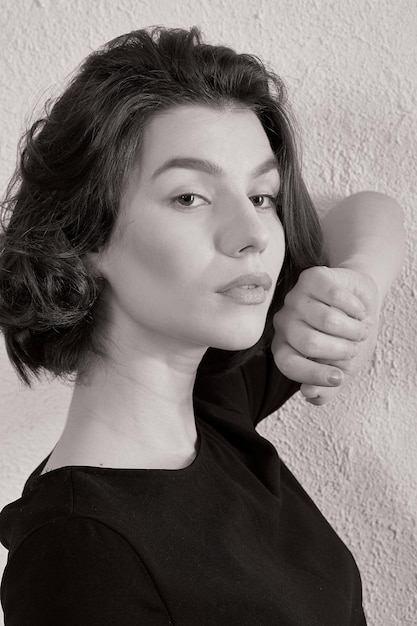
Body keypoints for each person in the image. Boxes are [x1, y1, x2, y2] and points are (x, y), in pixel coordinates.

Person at [0, 27, 404, 625]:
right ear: (83, 236)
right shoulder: (80, 554)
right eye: (190, 197)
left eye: (263, 195)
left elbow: (371, 209)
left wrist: (356, 294)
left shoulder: (217, 404)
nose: (256, 235)